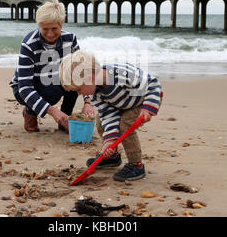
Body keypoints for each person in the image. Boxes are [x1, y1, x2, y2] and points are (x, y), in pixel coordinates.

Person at [59, 50, 163, 182]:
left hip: (143, 102)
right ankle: (113, 156)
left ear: (89, 78)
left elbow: (153, 84)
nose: (79, 94)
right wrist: (109, 141)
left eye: (78, 89)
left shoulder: (122, 74)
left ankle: (136, 165)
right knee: (101, 122)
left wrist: (148, 107)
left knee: (125, 126)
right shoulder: (94, 93)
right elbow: (108, 114)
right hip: (121, 105)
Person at [9, 0, 94, 132]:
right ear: (39, 26)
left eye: (54, 28)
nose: (50, 34)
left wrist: (88, 102)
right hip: (26, 88)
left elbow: (81, 73)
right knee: (49, 90)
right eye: (45, 29)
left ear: (61, 24)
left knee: (72, 77)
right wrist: (54, 112)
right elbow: (24, 88)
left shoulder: (70, 40)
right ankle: (30, 113)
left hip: (55, 81)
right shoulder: (29, 44)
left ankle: (65, 119)